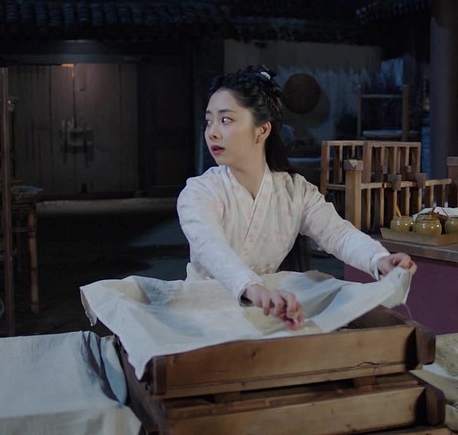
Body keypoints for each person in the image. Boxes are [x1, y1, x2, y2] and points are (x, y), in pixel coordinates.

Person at [177, 65, 416, 331]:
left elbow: (338, 235)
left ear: (261, 130)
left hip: (269, 303)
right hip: (206, 307)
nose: (212, 132)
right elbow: (211, 247)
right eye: (209, 121)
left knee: (340, 292)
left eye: (225, 120)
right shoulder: (198, 192)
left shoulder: (295, 191)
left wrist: (378, 259)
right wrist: (254, 289)